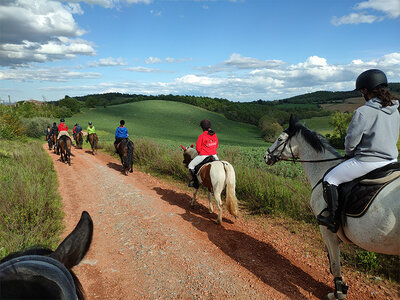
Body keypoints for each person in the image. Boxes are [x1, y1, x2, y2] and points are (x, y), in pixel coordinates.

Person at [317, 69, 399, 233]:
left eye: (362, 90)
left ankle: (332, 218)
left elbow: (351, 140)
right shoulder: (395, 110)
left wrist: (349, 153)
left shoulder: (363, 112)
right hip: (391, 161)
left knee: (330, 178)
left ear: (366, 90)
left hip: (367, 162)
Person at [187, 119, 219, 188]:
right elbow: (216, 146)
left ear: (202, 128)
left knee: (190, 166)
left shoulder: (201, 136)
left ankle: (195, 183)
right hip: (214, 155)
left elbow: (198, 149)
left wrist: (203, 152)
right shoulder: (214, 135)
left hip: (204, 155)